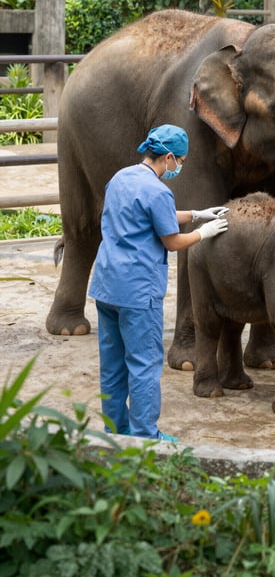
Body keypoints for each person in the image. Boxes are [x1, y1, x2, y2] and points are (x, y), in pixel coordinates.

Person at [88, 124, 229, 442]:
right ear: (168, 157)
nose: (179, 166)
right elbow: (172, 242)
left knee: (112, 364)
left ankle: (115, 429)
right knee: (143, 364)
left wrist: (197, 213)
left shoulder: (121, 178)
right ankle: (145, 435)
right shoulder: (158, 190)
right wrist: (203, 232)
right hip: (138, 292)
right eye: (179, 161)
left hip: (107, 286)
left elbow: (150, 212)